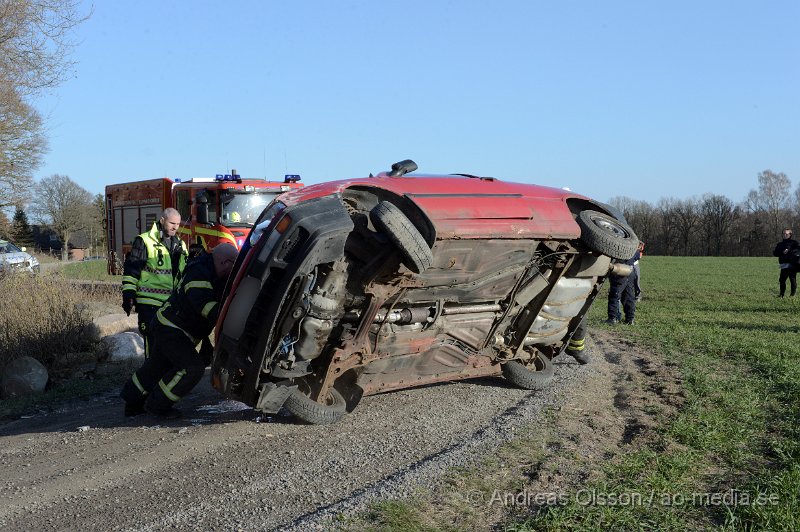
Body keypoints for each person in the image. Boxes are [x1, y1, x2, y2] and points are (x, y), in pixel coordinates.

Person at [121, 244, 238, 418]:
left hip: (167, 325)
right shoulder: (199, 273)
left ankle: (132, 402)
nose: (232, 272)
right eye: (232, 266)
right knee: (192, 367)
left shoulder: (209, 270)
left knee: (156, 367)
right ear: (224, 262)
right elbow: (205, 306)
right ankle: (158, 405)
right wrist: (232, 318)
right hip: (171, 328)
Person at [122, 208, 188, 356]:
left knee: (169, 345)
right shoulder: (144, 240)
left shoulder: (180, 245)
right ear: (162, 220)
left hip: (172, 304)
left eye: (178, 224)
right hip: (149, 304)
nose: (175, 227)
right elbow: (132, 270)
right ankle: (149, 377)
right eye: (172, 223)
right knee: (152, 344)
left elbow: (184, 273)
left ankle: (162, 376)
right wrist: (128, 295)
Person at [606, 248, 640, 325]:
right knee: (629, 296)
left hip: (619, 270)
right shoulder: (632, 244)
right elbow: (637, 256)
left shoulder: (615, 245)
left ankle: (612, 318)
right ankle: (630, 319)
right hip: (631, 270)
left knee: (614, 295)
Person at [773, 228, 800, 297]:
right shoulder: (780, 244)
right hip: (784, 264)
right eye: (784, 234)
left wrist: (790, 251)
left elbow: (798, 251)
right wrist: (782, 252)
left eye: (786, 234)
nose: (785, 235)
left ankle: (792, 295)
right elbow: (775, 253)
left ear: (790, 235)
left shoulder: (794, 243)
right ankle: (781, 295)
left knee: (792, 280)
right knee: (782, 280)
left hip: (792, 264)